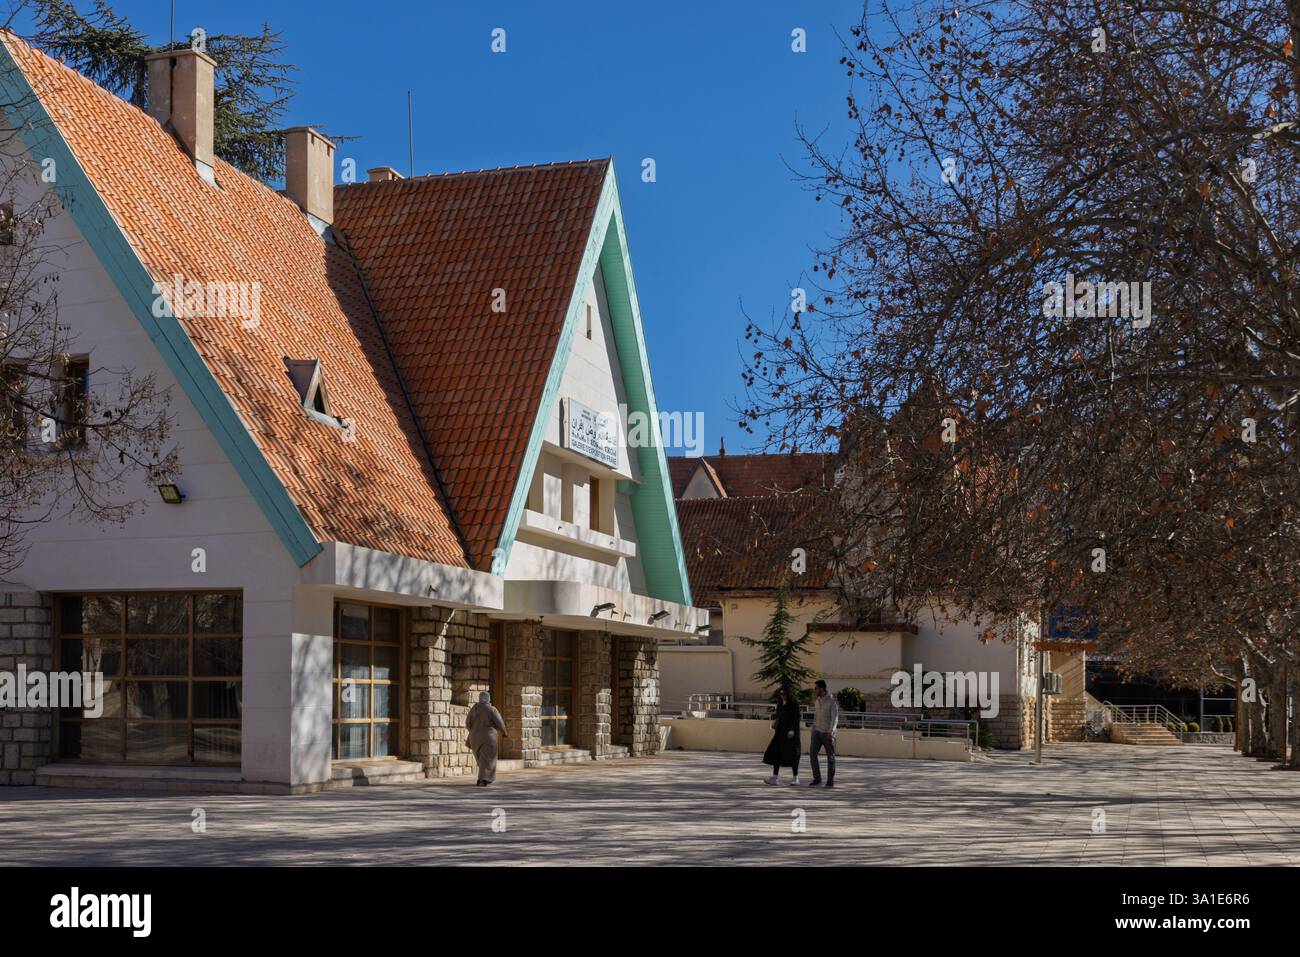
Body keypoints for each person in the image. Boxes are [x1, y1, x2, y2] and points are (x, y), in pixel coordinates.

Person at [465, 691, 508, 786]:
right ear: (488, 698)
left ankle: (484, 778)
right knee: (488, 759)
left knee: (481, 758)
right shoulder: (492, 709)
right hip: (489, 737)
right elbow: (500, 722)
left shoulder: (474, 708)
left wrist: (473, 731)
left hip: (474, 738)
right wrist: (504, 732)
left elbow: (467, 722)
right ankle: (482, 780)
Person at [762, 685, 802, 786]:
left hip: (791, 734)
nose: (782, 696)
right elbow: (779, 716)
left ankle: (795, 778)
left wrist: (792, 730)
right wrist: (775, 723)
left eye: (784, 694)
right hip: (780, 732)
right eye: (780, 694)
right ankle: (775, 777)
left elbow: (796, 718)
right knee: (776, 753)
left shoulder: (794, 704)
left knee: (793, 754)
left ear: (789, 694)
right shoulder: (780, 704)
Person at [809, 679, 838, 787]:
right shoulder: (817, 701)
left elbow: (835, 719)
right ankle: (817, 778)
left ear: (821, 689)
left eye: (816, 688)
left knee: (830, 757)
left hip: (827, 733)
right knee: (812, 755)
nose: (814, 690)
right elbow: (816, 716)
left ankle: (830, 780)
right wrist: (813, 729)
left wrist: (831, 732)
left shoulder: (832, 702)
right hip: (816, 732)